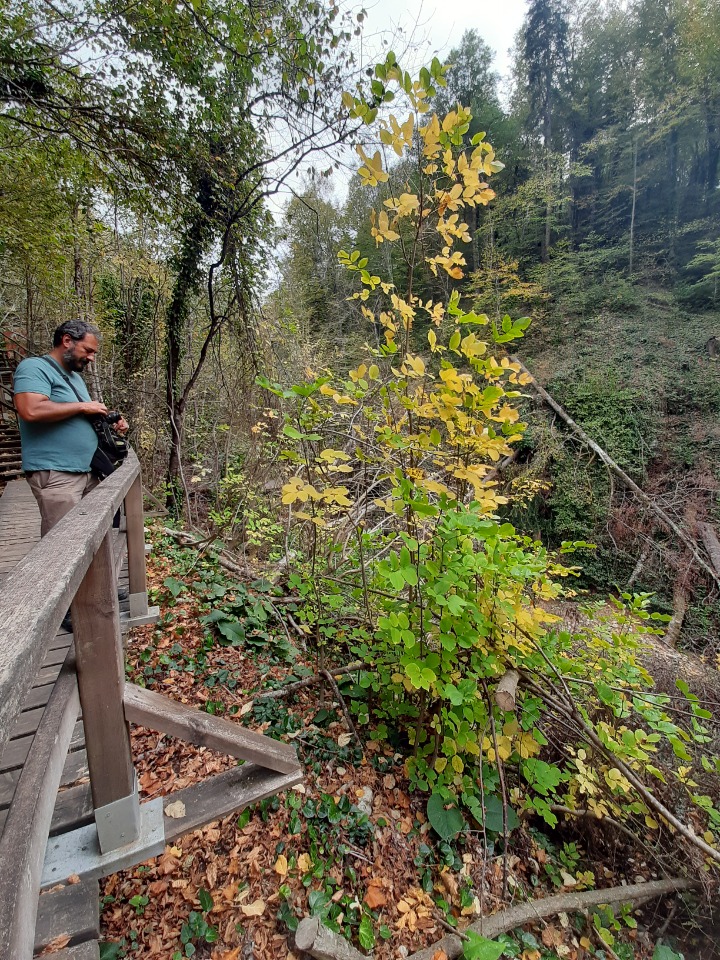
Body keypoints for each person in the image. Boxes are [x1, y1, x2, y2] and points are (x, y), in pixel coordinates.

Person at [13, 319, 129, 536]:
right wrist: (83, 406)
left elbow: (75, 412)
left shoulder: (74, 378)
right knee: (62, 546)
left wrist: (109, 419)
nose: (91, 358)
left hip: (88, 471)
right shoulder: (34, 367)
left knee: (95, 538)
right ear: (67, 340)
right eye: (88, 350)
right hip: (58, 474)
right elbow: (30, 409)